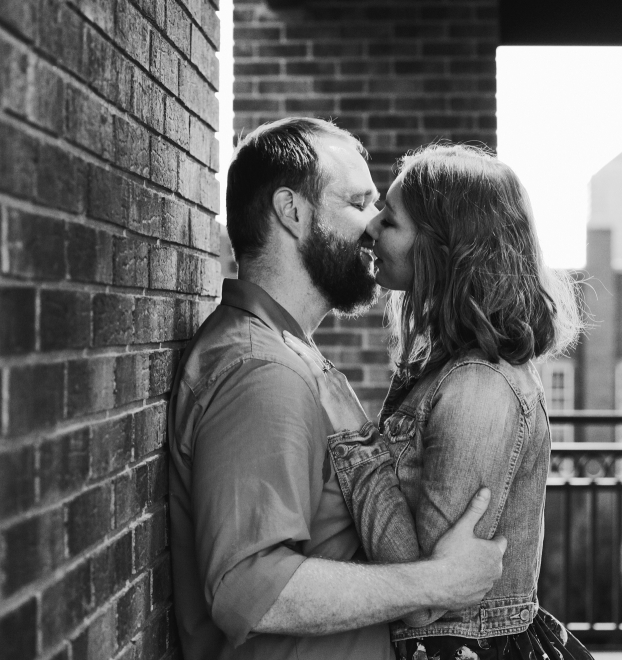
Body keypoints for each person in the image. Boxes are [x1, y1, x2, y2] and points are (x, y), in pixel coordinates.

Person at [167, 119, 508, 660]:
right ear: (293, 212)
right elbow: (245, 591)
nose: (376, 226)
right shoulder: (263, 373)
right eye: (357, 201)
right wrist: (435, 583)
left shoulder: (285, 353)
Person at [284, 144, 594, 659]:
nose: (371, 228)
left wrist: (354, 439)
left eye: (392, 219)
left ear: (442, 246)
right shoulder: (449, 368)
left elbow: (426, 598)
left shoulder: (479, 387)